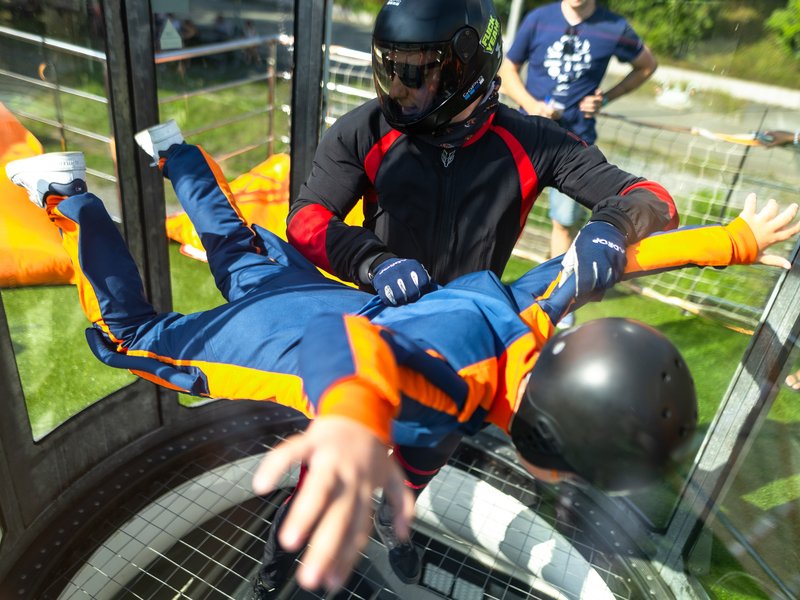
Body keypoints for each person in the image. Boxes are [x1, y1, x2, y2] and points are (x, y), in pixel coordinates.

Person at [6, 122, 799, 596]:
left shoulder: (530, 320)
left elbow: (614, 262)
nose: (568, 486)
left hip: (316, 296)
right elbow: (350, 350)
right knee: (126, 336)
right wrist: (351, 423)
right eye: (578, 473)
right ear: (550, 446)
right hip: (287, 341)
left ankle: (175, 150)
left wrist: (733, 241)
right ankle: (70, 197)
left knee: (240, 255)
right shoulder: (447, 382)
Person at [286, 0, 674, 584]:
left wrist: (612, 227)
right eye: (390, 67)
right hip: (378, 331)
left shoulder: (533, 140)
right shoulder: (365, 130)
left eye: (417, 71)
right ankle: (282, 563)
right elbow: (306, 219)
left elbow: (653, 196)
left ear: (467, 67)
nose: (399, 88)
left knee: (427, 447)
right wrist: (370, 259)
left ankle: (395, 523)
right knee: (327, 459)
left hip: (467, 344)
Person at [498, 0, 658, 326]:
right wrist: (532, 105)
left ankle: (560, 303)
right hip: (527, 135)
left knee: (564, 223)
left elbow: (647, 65)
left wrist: (606, 97)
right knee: (500, 213)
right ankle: (484, 289)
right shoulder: (539, 19)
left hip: (574, 145)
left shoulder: (614, 27)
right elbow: (507, 67)